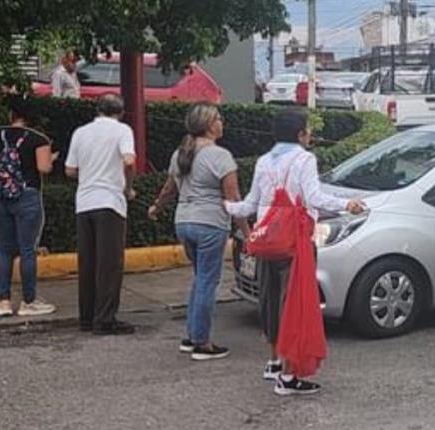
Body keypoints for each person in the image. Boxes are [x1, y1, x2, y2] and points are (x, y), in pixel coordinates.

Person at [224, 109, 365, 396]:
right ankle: (289, 377)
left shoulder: (264, 161)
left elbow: (250, 204)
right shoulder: (304, 159)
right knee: (296, 306)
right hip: (295, 242)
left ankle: (275, 361)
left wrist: (226, 207)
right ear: (300, 134)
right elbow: (314, 198)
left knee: (271, 302)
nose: (310, 135)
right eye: (308, 130)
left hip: (267, 241)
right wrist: (346, 204)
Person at [148, 103, 249, 361]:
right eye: (218, 118)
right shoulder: (220, 156)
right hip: (210, 224)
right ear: (208, 125)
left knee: (200, 278)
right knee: (207, 281)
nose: (222, 122)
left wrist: (156, 208)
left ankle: (191, 336)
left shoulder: (180, 153)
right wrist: (247, 233)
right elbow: (233, 197)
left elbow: (169, 188)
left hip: (183, 222)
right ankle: (202, 342)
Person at [64, 94, 136, 335]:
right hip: (110, 202)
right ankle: (105, 319)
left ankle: (86, 317)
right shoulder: (122, 130)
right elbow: (128, 160)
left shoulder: (80, 132)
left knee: (88, 262)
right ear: (121, 112)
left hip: (84, 202)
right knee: (109, 264)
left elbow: (70, 170)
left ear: (97, 110)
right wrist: (128, 187)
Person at [0, 97, 58, 317]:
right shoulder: (38, 138)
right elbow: (44, 168)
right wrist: (52, 158)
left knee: (5, 248)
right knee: (27, 249)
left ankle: (3, 302)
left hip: (0, 195)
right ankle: (28, 301)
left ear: (12, 115)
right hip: (27, 194)